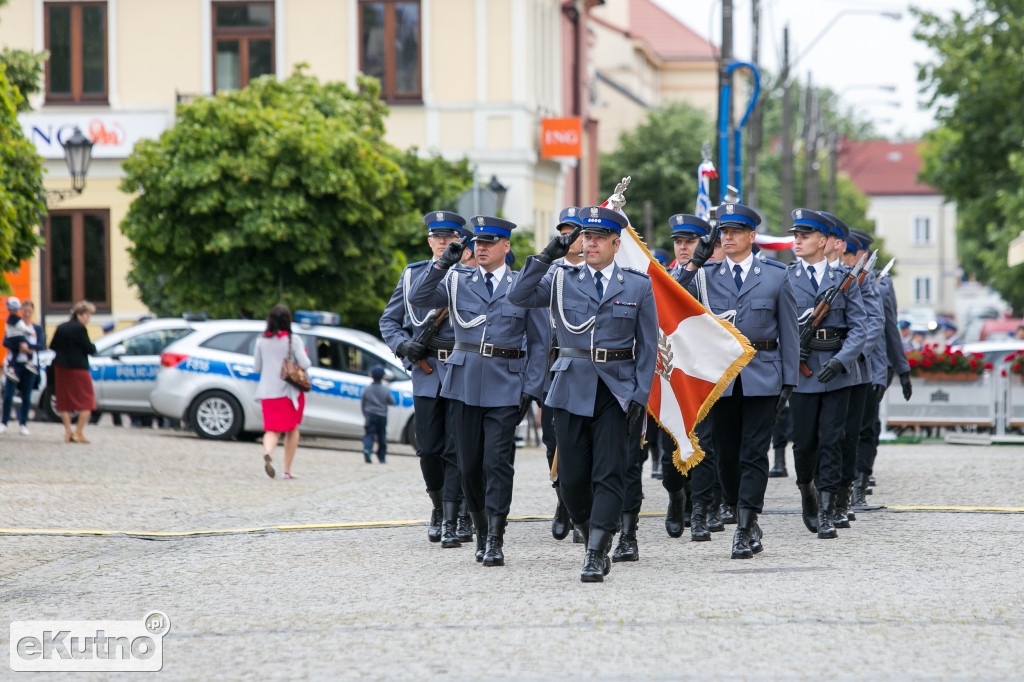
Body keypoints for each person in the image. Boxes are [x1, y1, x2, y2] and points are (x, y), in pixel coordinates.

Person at [508, 205, 658, 582]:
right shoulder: (561, 278)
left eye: (596, 238)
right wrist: (546, 255)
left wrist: (640, 397)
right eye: (584, 237)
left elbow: (649, 347)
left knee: (609, 471)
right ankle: (591, 525)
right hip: (571, 385)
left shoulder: (637, 285)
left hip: (615, 388)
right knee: (572, 479)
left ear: (615, 243)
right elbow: (518, 295)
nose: (588, 243)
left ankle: (595, 550)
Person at [409, 215, 547, 567]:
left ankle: (496, 538)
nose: (480, 248)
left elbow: (540, 343)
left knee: (498, 463)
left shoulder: (522, 286)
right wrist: (443, 262)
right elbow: (420, 296)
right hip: (463, 384)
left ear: (506, 247)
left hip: (506, 385)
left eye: (488, 243)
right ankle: (481, 529)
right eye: (477, 243)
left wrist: (529, 391)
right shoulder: (457, 280)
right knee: (468, 465)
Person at [677, 203, 799, 558]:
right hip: (721, 378)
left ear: (751, 236)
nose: (726, 237)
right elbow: (668, 295)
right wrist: (695, 261)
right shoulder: (705, 275)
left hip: (763, 374)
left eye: (734, 232)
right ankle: (739, 507)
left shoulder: (776, 275)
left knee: (754, 453)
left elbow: (789, 332)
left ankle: (745, 525)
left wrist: (788, 380)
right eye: (723, 232)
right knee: (726, 457)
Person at [380, 211, 472, 547]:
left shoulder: (470, 276)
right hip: (427, 372)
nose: (443, 243)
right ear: (429, 241)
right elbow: (389, 321)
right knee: (429, 450)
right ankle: (438, 505)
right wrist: (402, 345)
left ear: (459, 241)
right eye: (437, 237)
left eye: (450, 238)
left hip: (461, 370)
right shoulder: (411, 276)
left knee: (454, 448)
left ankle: (452, 516)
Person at [785, 209, 869, 539]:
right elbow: (779, 325)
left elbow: (859, 327)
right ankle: (807, 487)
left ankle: (827, 508)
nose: (797, 242)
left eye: (804, 237)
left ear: (822, 242)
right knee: (804, 444)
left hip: (836, 371)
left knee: (832, 441)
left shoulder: (844, 280)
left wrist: (842, 360)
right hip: (803, 372)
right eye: (795, 237)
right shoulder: (786, 277)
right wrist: (793, 352)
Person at [665, 213, 725, 542]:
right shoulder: (663, 276)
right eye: (679, 241)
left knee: (704, 444)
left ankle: (702, 509)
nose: (684, 247)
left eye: (690, 242)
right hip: (669, 374)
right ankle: (677, 499)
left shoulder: (713, 278)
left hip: (701, 372)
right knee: (669, 449)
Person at [543, 208, 586, 542]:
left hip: (583, 362)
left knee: (582, 439)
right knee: (552, 438)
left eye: (577, 231)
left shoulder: (596, 271)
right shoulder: (551, 272)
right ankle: (563, 498)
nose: (570, 237)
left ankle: (579, 506)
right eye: (565, 231)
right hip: (553, 361)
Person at [253, 304, 310, 480]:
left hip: (267, 392)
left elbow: (257, 367)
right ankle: (287, 470)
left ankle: (268, 453)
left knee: (272, 430)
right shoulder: (294, 340)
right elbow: (305, 364)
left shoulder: (261, 340)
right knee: (292, 429)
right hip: (288, 394)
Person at [49, 300, 98, 443]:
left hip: (60, 368)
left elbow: (52, 345)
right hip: (78, 368)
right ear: (80, 314)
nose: (88, 318)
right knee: (87, 400)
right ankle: (78, 432)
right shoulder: (80, 329)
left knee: (64, 400)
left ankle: (68, 432)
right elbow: (90, 349)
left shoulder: (61, 327)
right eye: (88, 315)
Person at [2, 299, 44, 435]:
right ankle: (4, 422)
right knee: (8, 394)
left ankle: (23, 423)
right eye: (24, 311)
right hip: (15, 363)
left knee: (26, 395)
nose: (26, 314)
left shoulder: (36, 328)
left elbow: (41, 345)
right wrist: (19, 347)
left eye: (29, 312)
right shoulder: (14, 324)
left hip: (29, 365)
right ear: (20, 311)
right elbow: (5, 341)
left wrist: (28, 348)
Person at [89, 320, 124, 427]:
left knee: (109, 402)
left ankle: (95, 422)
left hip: (114, 375)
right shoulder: (108, 341)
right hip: (108, 375)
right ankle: (115, 423)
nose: (105, 333)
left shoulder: (116, 342)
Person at [361, 365, 394, 464]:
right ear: (383, 377)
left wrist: (365, 414)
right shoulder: (385, 390)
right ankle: (382, 457)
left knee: (369, 435)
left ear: (371, 375)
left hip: (370, 415)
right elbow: (392, 401)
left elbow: (363, 403)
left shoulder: (367, 389)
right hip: (382, 416)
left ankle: (367, 449)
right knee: (381, 437)